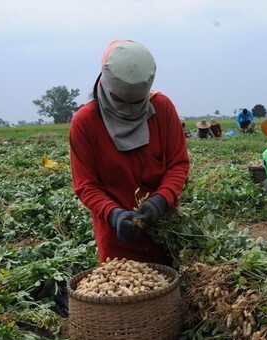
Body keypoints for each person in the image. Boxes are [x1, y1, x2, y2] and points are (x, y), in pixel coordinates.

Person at [69, 39, 190, 266]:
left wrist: (160, 201)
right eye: (119, 100)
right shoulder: (85, 123)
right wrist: (114, 215)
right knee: (122, 294)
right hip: (116, 235)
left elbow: (178, 164)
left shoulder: (162, 109)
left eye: (136, 102)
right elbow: (86, 184)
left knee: (169, 293)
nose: (128, 110)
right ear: (105, 84)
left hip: (164, 230)